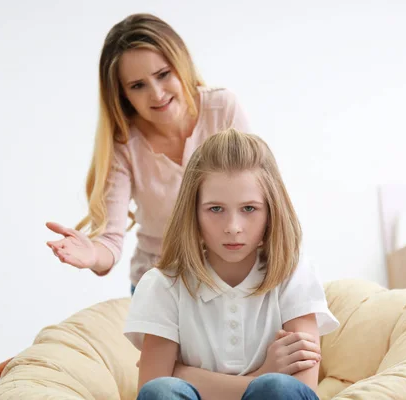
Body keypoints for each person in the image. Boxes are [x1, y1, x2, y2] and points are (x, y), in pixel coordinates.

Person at [123, 128, 340, 400]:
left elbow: (301, 390)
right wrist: (260, 374)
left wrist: (185, 373)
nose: (233, 227)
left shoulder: (293, 274)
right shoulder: (164, 285)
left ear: (271, 213)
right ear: (194, 214)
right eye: (216, 209)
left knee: (277, 388)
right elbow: (154, 389)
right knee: (163, 391)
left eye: (249, 209)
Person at [45, 13, 251, 293]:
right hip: (161, 285)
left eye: (163, 75)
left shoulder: (222, 108)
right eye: (137, 85)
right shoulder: (124, 145)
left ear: (182, 65)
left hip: (229, 276)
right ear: (123, 95)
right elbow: (110, 243)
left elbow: (256, 195)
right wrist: (93, 255)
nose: (156, 94)